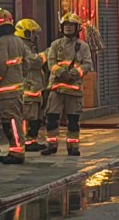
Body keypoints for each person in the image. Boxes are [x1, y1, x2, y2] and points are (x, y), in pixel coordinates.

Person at [0, 8, 40, 164]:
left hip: (6, 90)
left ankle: (16, 152)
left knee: (10, 122)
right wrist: (20, 76)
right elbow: (27, 63)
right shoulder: (18, 41)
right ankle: (15, 150)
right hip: (17, 89)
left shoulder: (2, 42)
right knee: (15, 120)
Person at [42, 12, 92, 156]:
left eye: (71, 25)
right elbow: (51, 62)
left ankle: (73, 147)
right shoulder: (55, 45)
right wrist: (60, 73)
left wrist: (74, 74)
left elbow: (87, 65)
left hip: (74, 89)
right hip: (56, 89)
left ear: (77, 28)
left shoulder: (83, 47)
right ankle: (51, 145)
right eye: (66, 25)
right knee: (51, 117)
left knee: (73, 120)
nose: (68, 28)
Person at [16, 18, 47, 152]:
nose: (36, 36)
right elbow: (35, 62)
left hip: (35, 87)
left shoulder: (27, 46)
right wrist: (45, 55)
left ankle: (32, 140)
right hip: (28, 88)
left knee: (36, 117)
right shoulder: (22, 46)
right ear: (26, 33)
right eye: (33, 33)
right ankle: (26, 141)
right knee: (29, 117)